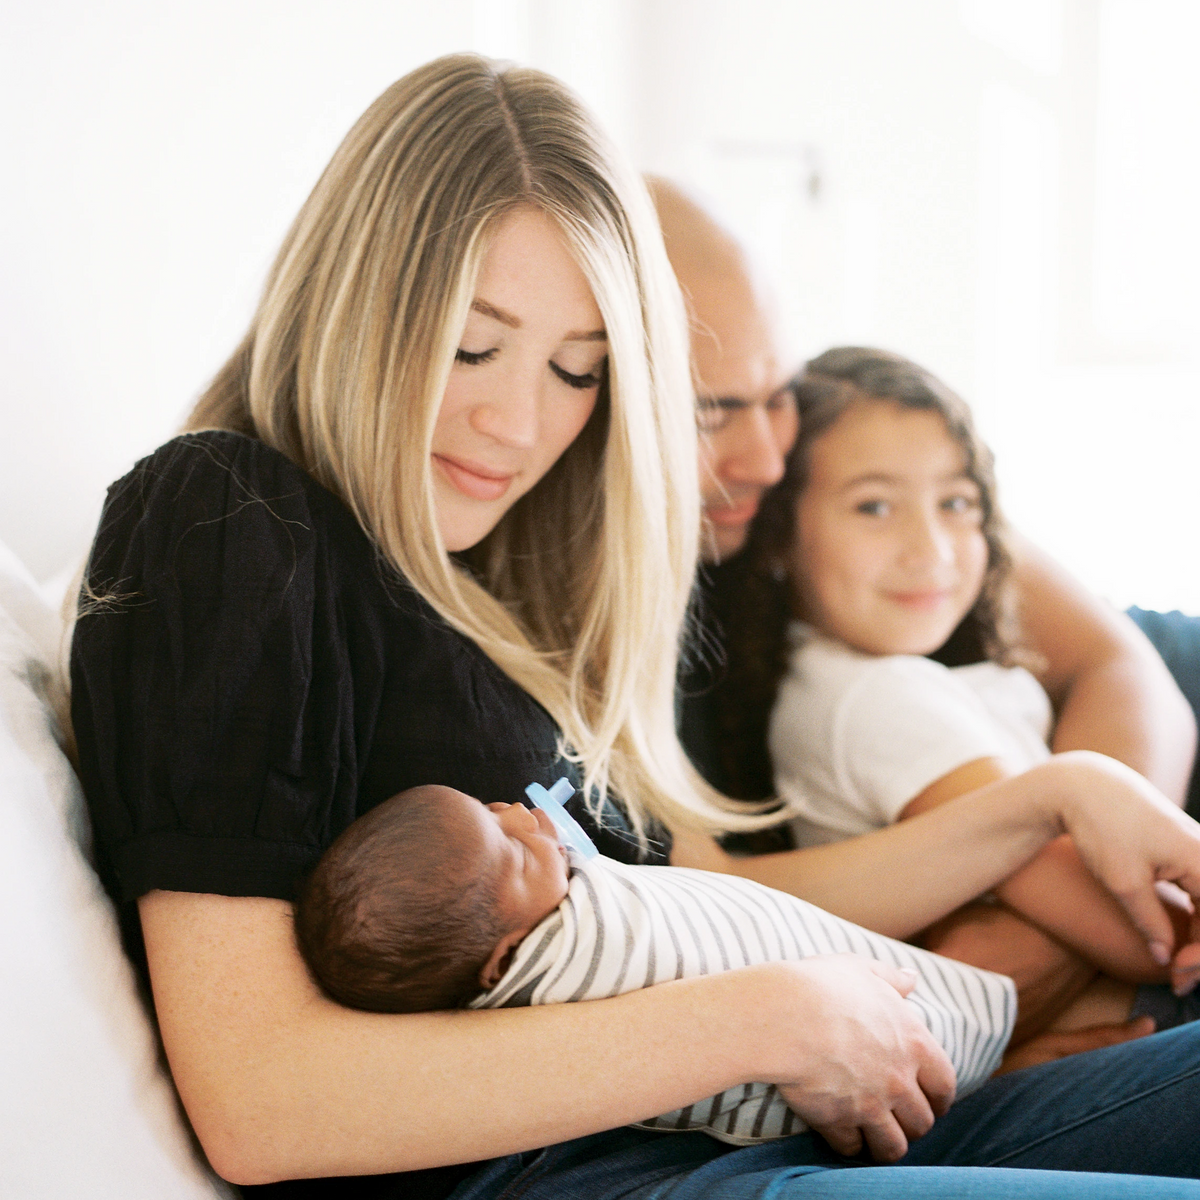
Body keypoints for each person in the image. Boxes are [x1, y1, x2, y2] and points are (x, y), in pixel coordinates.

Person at [66, 53, 1200, 1199]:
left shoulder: (504, 579)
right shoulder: (229, 518)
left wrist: (1054, 799)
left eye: (577, 370)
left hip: (775, 1118)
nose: (518, 423)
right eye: (471, 346)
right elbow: (263, 1101)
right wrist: (768, 1022)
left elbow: (740, 901)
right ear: (357, 299)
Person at [718, 345, 1196, 1029]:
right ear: (778, 532)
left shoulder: (841, 674)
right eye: (874, 506)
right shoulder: (881, 701)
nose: (932, 548)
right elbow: (1143, 932)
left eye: (955, 502)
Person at [293, 782, 1015, 1143]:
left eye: (491, 807)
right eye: (513, 852)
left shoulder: (518, 901)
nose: (523, 816)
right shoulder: (571, 959)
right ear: (504, 960)